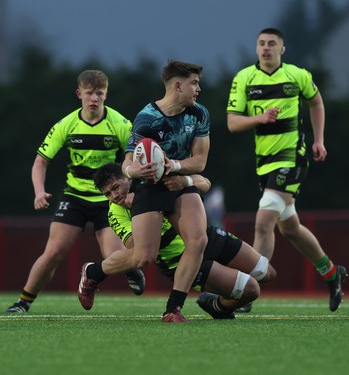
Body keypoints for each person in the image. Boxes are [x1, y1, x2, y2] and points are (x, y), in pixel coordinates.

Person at [78, 60, 210, 323]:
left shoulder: (199, 113)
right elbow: (128, 162)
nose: (198, 89)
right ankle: (93, 273)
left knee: (199, 241)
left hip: (178, 182)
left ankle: (173, 309)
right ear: (177, 85)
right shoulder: (147, 117)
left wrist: (174, 166)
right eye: (194, 83)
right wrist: (131, 172)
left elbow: (200, 162)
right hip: (149, 186)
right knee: (142, 257)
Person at [226, 28, 347, 312]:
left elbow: (316, 102)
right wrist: (260, 118)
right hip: (264, 162)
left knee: (263, 220)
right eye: (261, 44)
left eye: (272, 44)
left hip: (293, 156)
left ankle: (247, 290)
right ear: (256, 49)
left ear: (282, 49)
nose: (266, 48)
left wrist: (319, 140)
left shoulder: (297, 75)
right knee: (290, 227)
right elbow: (232, 122)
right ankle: (332, 273)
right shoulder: (245, 78)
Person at [5, 70, 145, 313]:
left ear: (106, 95)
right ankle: (23, 302)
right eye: (89, 93)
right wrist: (39, 192)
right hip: (74, 197)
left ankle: (130, 268)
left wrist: (132, 189)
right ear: (79, 94)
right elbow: (41, 161)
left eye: (99, 93)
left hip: (108, 199)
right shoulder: (66, 124)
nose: (94, 98)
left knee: (114, 255)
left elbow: (136, 159)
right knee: (54, 252)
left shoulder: (121, 124)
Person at [87, 162, 277, 319]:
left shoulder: (155, 180)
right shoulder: (115, 212)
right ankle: (216, 306)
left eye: (115, 188)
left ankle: (218, 299)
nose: (114, 196)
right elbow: (137, 249)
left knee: (267, 273)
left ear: (128, 177)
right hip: (179, 260)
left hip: (206, 237)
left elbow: (204, 182)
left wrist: (184, 181)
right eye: (108, 194)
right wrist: (145, 213)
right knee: (251, 290)